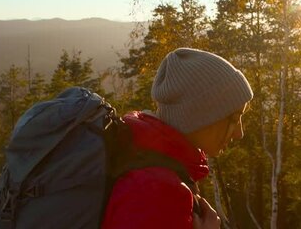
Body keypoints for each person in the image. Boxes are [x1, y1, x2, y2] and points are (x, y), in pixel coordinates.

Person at [102, 47, 253, 229]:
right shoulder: (159, 192)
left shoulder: (146, 158)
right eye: (234, 118)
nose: (240, 133)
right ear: (201, 113)